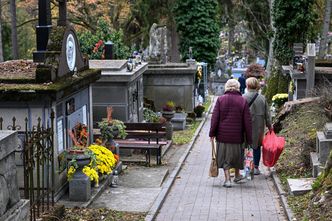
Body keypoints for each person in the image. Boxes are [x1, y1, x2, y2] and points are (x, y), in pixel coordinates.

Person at [209, 79, 252, 188]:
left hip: (222, 135)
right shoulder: (242, 101)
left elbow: (215, 118)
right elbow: (247, 121)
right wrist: (249, 139)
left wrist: (212, 133)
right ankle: (237, 175)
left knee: (225, 158)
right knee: (237, 156)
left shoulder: (220, 100)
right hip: (237, 136)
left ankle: (228, 179)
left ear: (226, 87)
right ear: (238, 87)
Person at [243, 77, 272, 175]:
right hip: (259, 126)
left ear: (247, 86)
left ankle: (248, 167)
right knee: (256, 146)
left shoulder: (243, 97)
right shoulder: (262, 98)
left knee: (247, 146)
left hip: (246, 125)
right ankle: (255, 167)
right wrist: (270, 126)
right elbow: (267, 114)